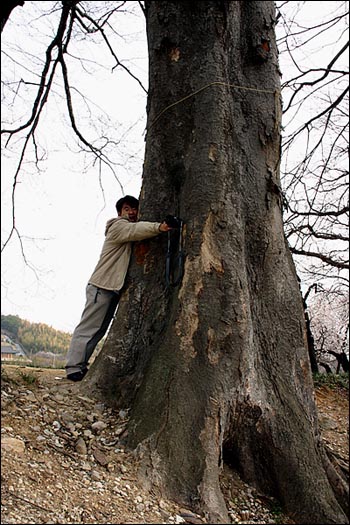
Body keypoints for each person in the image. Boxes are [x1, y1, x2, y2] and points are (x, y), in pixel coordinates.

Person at [65, 195, 172, 381]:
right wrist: (160, 227)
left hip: (110, 288)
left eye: (134, 209)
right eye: (127, 209)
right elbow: (135, 230)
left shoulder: (126, 229)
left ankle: (79, 366)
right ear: (120, 213)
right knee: (88, 328)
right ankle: (73, 368)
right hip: (101, 286)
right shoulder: (118, 226)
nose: (131, 212)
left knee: (98, 330)